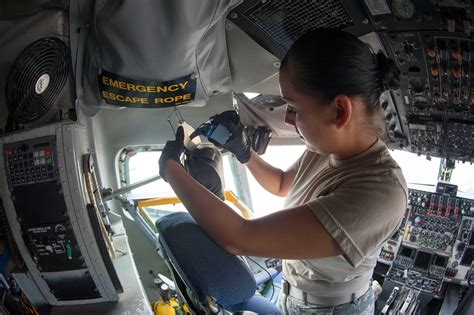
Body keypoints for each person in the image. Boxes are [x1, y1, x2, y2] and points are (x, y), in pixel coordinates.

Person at [159, 28, 407, 314]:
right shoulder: (323, 150)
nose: (288, 119)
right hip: (292, 294)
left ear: (340, 111)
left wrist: (171, 169)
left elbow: (239, 238)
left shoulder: (380, 192)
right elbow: (281, 184)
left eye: (293, 107)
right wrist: (244, 152)